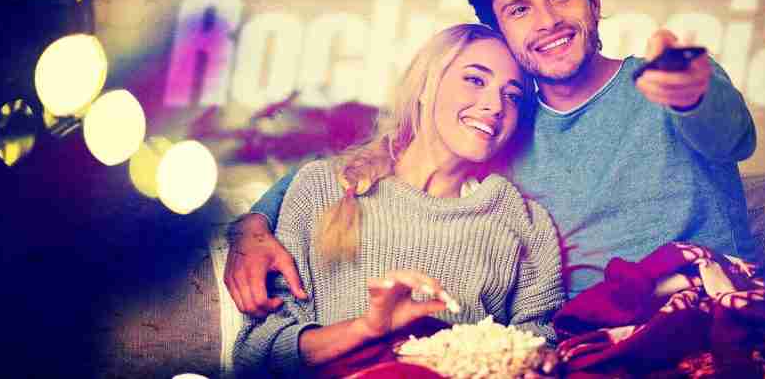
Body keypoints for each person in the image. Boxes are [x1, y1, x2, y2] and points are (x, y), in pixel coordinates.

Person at [226, 0, 755, 313]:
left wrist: (688, 92)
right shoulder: (500, 121)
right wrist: (250, 228)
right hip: (585, 343)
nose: (548, 21)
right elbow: (360, 161)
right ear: (500, 29)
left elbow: (732, 137)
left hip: (706, 313)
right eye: (520, 9)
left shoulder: (668, 81)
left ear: (593, 1)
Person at [230, 24, 565, 376]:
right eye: (475, 80)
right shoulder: (322, 188)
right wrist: (368, 329)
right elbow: (259, 350)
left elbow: (540, 345)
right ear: (424, 87)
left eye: (512, 95)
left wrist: (537, 363)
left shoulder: (525, 222)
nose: (495, 106)